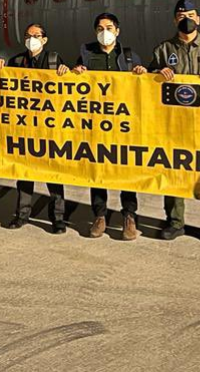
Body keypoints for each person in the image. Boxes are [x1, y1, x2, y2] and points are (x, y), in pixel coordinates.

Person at [147, 0, 200, 245]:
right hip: (176, 122)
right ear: (175, 19)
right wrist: (156, 74)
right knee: (173, 169)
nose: (187, 19)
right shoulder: (163, 50)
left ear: (199, 19)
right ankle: (175, 222)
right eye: (182, 15)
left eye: (192, 15)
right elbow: (146, 83)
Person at [72, 12, 146, 240]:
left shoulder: (130, 57)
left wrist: (143, 75)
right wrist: (76, 74)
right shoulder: (86, 55)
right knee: (98, 170)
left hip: (123, 124)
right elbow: (74, 87)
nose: (105, 32)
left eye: (110, 27)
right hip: (95, 123)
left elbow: (142, 91)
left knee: (126, 169)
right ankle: (100, 216)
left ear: (118, 31)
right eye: (101, 28)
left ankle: (129, 216)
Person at [0, 23, 71, 234]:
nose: (32, 39)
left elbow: (67, 88)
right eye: (28, 36)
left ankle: (57, 218)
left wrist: (66, 72)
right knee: (24, 173)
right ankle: (22, 214)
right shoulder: (17, 61)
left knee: (53, 174)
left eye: (36, 36)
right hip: (25, 125)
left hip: (48, 126)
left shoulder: (54, 60)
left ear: (44, 40)